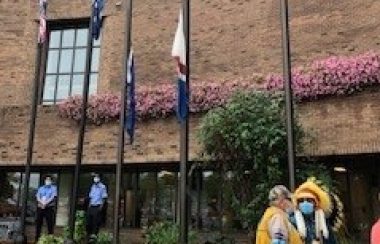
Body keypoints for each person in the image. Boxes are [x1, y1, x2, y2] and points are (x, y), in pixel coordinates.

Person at [292, 180, 336, 244]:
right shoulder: (292, 221)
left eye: (309, 200)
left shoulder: (324, 222)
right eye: (301, 200)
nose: (305, 203)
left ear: (316, 203)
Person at [35, 175, 57, 241]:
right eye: (47, 180)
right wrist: (41, 202)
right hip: (40, 207)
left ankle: (50, 239)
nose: (48, 181)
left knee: (50, 224)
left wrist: (45, 203)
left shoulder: (54, 188)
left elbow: (53, 197)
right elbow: (38, 196)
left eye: (49, 180)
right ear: (44, 181)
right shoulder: (41, 188)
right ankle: (37, 239)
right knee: (38, 223)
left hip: (49, 208)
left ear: (51, 181)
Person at [87, 173, 108, 239]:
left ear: (99, 178)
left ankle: (94, 234)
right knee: (89, 221)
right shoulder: (93, 186)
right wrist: (89, 205)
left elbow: (104, 197)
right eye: (95, 177)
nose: (95, 178)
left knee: (96, 221)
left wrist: (101, 207)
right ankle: (89, 234)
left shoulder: (102, 187)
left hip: (98, 206)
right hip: (92, 206)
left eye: (97, 177)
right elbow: (91, 196)